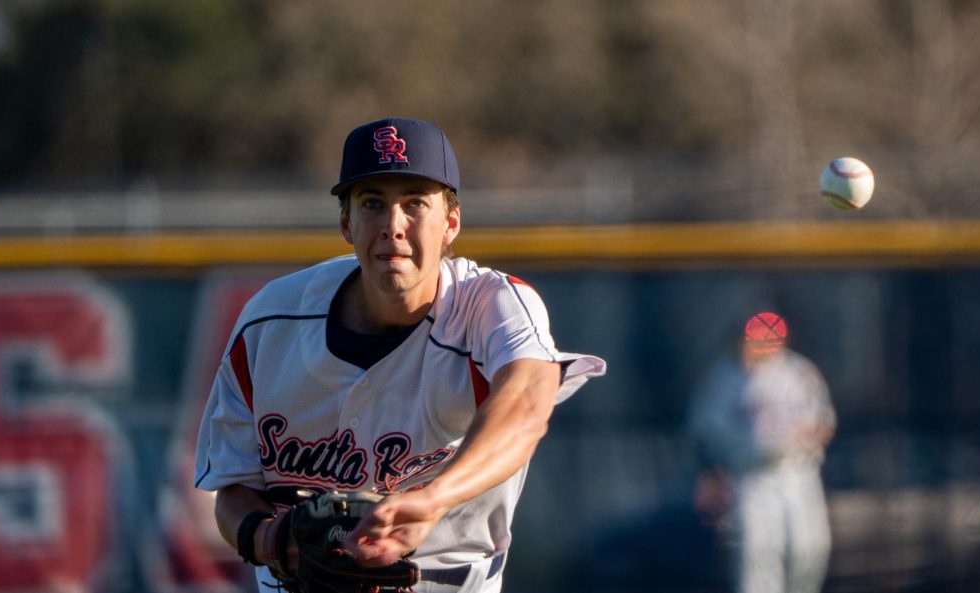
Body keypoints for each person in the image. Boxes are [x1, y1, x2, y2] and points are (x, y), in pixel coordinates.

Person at [193, 117, 607, 593]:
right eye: (373, 203)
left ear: (451, 223)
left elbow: (527, 407)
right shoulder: (270, 323)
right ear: (346, 222)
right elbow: (234, 489)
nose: (393, 225)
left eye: (415, 204)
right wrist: (269, 539)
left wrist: (432, 500)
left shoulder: (490, 307)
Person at [688, 311, 835, 593]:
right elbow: (704, 431)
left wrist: (808, 439)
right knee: (758, 555)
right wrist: (712, 473)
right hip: (751, 478)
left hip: (798, 473)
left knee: (809, 548)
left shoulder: (798, 372)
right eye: (756, 337)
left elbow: (824, 422)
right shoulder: (723, 379)